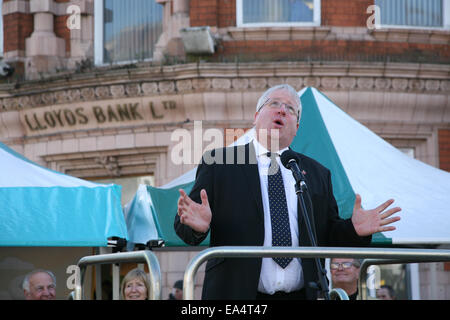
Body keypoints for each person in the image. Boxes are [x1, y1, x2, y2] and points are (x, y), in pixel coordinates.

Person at [174, 84, 401, 300]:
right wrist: (195, 227)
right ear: (256, 117)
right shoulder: (220, 164)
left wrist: (354, 230)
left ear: (297, 127)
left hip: (301, 295)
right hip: (237, 295)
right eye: (274, 103)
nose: (282, 110)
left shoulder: (317, 173)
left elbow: (328, 236)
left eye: (291, 109)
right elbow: (185, 225)